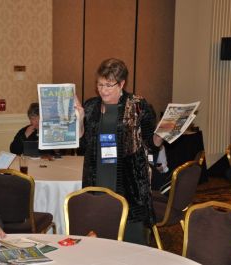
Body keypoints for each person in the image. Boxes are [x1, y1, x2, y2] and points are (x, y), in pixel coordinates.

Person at [75, 58, 163, 245]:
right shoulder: (91, 106)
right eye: (100, 84)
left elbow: (151, 143)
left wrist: (163, 135)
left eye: (109, 85)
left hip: (129, 181)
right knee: (99, 234)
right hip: (97, 176)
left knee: (131, 239)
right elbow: (83, 145)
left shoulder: (138, 106)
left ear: (122, 83)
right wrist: (79, 120)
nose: (103, 90)